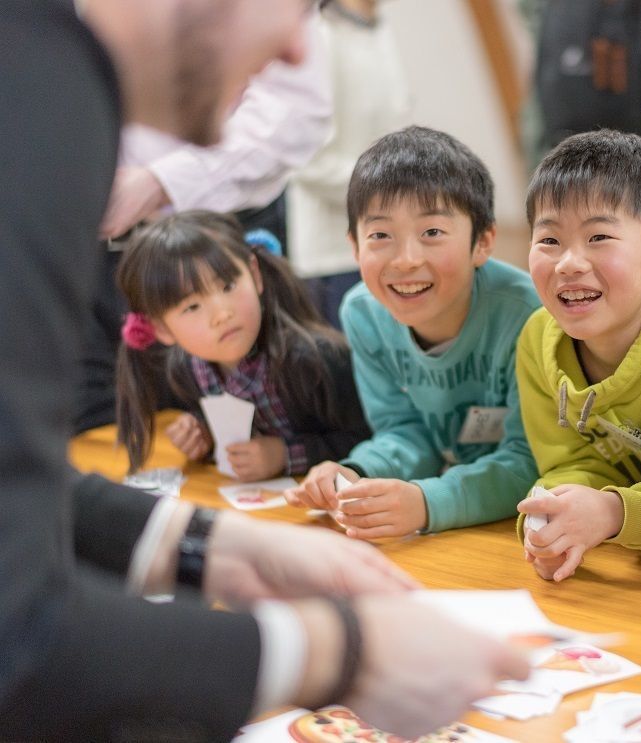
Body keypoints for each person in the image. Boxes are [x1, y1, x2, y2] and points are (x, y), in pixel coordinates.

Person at [0, 1, 527, 740]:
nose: (296, 55)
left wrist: (216, 545)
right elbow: (22, 636)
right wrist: (340, 652)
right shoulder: (39, 103)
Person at [77, 13, 333, 432]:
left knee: (264, 422)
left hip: (215, 239)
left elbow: (298, 110)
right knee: (93, 425)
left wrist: (162, 182)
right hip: (83, 252)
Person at [285, 126, 540, 538]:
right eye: (380, 235)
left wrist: (426, 502)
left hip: (520, 526)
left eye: (432, 233)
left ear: (483, 241)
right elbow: (403, 430)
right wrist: (356, 471)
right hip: (454, 519)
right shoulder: (364, 314)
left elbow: (529, 460)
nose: (405, 260)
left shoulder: (527, 314)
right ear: (354, 247)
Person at [515, 130, 641, 583]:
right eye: (549, 240)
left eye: (599, 237)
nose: (569, 263)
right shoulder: (536, 340)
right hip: (619, 565)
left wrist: (610, 513)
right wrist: (549, 519)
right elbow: (568, 464)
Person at [115, 211, 370, 481]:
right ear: (162, 329)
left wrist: (285, 455)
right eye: (192, 307)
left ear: (255, 274)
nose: (222, 314)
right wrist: (203, 433)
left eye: (228, 286)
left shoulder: (313, 360)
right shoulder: (186, 369)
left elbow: (371, 441)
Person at [286, 0, 413, 328]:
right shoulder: (317, 35)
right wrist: (392, 191)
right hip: (335, 254)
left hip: (393, 237)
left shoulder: (378, 28)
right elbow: (304, 158)